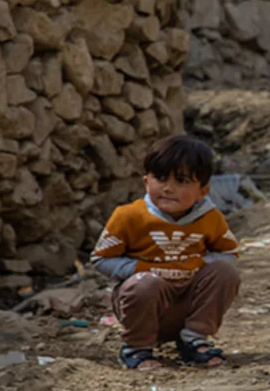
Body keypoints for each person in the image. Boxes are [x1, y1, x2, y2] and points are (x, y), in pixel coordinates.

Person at [91, 134, 241, 369]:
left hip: (189, 307)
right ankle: (137, 348)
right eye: (160, 178)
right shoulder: (128, 216)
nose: (168, 188)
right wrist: (143, 269)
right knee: (145, 283)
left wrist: (194, 266)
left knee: (224, 273)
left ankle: (193, 340)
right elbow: (101, 259)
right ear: (146, 182)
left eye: (181, 181)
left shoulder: (211, 218)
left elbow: (229, 255)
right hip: (144, 305)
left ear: (203, 191)